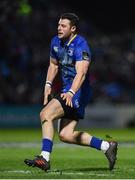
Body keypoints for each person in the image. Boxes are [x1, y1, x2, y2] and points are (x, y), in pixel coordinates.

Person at [24, 12, 118, 171]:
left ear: (73, 29)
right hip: (67, 90)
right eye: (58, 25)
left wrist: (71, 93)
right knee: (65, 135)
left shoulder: (81, 45)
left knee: (45, 114)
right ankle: (106, 146)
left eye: (63, 26)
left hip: (78, 92)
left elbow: (81, 73)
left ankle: (44, 158)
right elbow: (53, 65)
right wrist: (48, 84)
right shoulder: (55, 41)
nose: (59, 28)